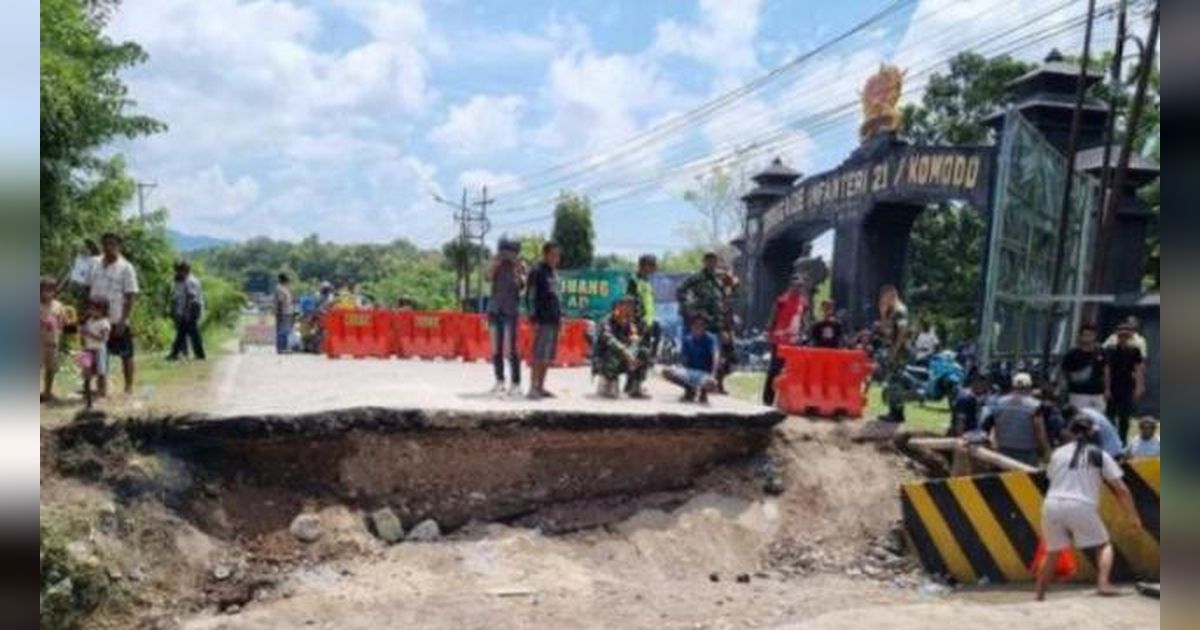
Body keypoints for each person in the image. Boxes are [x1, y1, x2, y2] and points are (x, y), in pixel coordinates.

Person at [1035, 414, 1143, 601]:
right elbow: (1122, 490)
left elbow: (1051, 477)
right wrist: (1133, 516)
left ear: (1070, 432)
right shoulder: (1100, 455)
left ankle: (1039, 596)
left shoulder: (1058, 453)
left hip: (1051, 504)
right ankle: (1103, 584)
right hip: (1080, 504)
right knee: (1103, 545)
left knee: (1053, 552)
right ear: (1093, 433)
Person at [87, 232, 139, 396]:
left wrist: (124, 320)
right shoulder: (93, 263)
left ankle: (128, 387)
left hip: (117, 317)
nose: (109, 247)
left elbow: (130, 296)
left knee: (126, 354)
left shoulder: (126, 267)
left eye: (112, 244)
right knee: (99, 353)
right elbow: (86, 286)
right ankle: (101, 388)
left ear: (118, 246)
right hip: (96, 318)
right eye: (105, 244)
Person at [984, 372, 1049, 467]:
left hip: (1004, 449)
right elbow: (1039, 430)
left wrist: (995, 444)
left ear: (1013, 387)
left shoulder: (1000, 402)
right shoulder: (1035, 405)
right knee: (1027, 475)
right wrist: (1045, 450)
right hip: (1027, 451)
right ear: (1029, 387)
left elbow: (995, 425)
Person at [487, 239, 526, 395]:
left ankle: (515, 383)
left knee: (511, 349)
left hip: (510, 311)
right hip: (495, 309)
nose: (506, 255)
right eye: (503, 252)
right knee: (495, 348)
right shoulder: (496, 263)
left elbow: (521, 287)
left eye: (509, 252)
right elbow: (488, 277)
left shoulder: (521, 265)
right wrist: (495, 264)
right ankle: (499, 380)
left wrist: (516, 268)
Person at [761, 275, 806, 405]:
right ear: (791, 287)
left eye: (801, 286)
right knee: (775, 369)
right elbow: (773, 316)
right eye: (796, 286)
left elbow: (803, 319)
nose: (798, 289)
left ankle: (789, 399)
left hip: (794, 341)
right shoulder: (782, 300)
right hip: (779, 340)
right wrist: (768, 331)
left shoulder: (803, 302)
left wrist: (803, 333)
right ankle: (768, 399)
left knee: (792, 371)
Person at [525, 242, 563, 400]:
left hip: (554, 320)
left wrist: (561, 318)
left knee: (547, 356)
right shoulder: (537, 272)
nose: (556, 258)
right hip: (542, 320)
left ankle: (541, 387)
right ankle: (533, 388)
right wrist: (533, 319)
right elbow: (530, 297)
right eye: (553, 255)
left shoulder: (554, 273)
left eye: (558, 256)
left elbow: (557, 297)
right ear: (545, 254)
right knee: (539, 355)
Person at [593, 297, 650, 399]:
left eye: (631, 308)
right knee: (613, 352)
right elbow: (609, 340)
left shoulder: (629, 323)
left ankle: (635, 387)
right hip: (604, 360)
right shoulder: (606, 321)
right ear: (619, 307)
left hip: (624, 358)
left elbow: (635, 340)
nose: (630, 311)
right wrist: (626, 352)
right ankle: (608, 383)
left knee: (643, 352)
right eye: (627, 307)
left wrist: (633, 351)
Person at [662, 314, 720, 404]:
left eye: (701, 325)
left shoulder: (711, 338)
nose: (698, 327)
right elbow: (683, 358)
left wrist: (713, 375)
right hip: (689, 371)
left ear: (705, 327)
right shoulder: (687, 339)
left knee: (712, 383)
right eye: (695, 324)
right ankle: (690, 390)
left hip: (704, 373)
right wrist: (677, 367)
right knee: (666, 371)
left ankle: (703, 393)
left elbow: (715, 356)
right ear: (691, 326)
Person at [1105, 321, 1145, 446]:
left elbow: (1138, 369)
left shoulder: (1134, 350)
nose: (1123, 337)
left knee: (1124, 416)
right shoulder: (1110, 350)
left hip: (1127, 385)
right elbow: (1107, 370)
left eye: (1126, 335)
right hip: (1113, 384)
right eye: (1121, 335)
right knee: (1110, 415)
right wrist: (1106, 388)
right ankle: (1110, 441)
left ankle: (1122, 441)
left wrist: (1139, 386)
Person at [875, 284, 909, 423]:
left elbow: (902, 332)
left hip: (899, 351)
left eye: (885, 297)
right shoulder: (891, 311)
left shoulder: (900, 311)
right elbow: (886, 331)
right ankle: (893, 411)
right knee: (892, 381)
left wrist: (894, 350)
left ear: (892, 295)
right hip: (892, 349)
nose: (883, 300)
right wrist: (882, 314)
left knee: (896, 381)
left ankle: (897, 414)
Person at [1060, 323, 1107, 412]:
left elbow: (1106, 371)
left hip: (1097, 393)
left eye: (1090, 335)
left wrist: (1107, 389)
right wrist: (1064, 389)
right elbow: (1064, 372)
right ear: (1080, 336)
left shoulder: (1101, 352)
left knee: (1098, 417)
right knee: (1079, 416)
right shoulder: (1072, 354)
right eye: (1085, 335)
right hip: (1077, 393)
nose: (1088, 338)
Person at [167, 261, 205, 361]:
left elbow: (191, 296)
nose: (177, 272)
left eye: (178, 270)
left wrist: (186, 312)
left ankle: (176, 354)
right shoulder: (183, 280)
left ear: (185, 270)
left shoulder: (190, 281)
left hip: (192, 308)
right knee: (183, 332)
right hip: (189, 308)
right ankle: (176, 353)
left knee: (191, 333)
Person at [79, 298, 111, 409]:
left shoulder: (104, 323)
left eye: (95, 309)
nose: (92, 311)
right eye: (91, 309)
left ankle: (102, 392)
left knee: (100, 372)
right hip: (87, 349)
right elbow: (84, 334)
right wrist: (83, 337)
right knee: (86, 372)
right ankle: (87, 392)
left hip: (98, 350)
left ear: (103, 310)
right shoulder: (89, 320)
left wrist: (89, 334)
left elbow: (103, 339)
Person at [40, 277, 69, 403]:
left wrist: (62, 325)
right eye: (45, 290)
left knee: (51, 368)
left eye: (51, 290)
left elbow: (64, 322)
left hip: (52, 342)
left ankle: (47, 392)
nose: (48, 293)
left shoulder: (58, 305)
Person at [626, 254, 661, 358]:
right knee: (636, 347)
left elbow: (648, 301)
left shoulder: (646, 281)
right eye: (652, 265)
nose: (654, 268)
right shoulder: (634, 280)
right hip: (639, 320)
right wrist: (636, 319)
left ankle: (649, 360)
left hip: (648, 320)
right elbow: (630, 302)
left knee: (654, 337)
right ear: (645, 266)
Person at [948, 373, 991, 438]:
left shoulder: (988, 398)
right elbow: (960, 421)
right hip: (967, 433)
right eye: (976, 383)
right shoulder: (964, 398)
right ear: (972, 384)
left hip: (981, 432)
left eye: (982, 383)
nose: (979, 386)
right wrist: (960, 438)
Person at [273, 273, 294, 354]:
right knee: (282, 331)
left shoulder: (285, 288)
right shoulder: (280, 289)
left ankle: (283, 347)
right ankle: (281, 348)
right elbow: (280, 301)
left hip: (286, 312)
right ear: (285, 281)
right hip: (283, 312)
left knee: (285, 331)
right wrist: (280, 313)